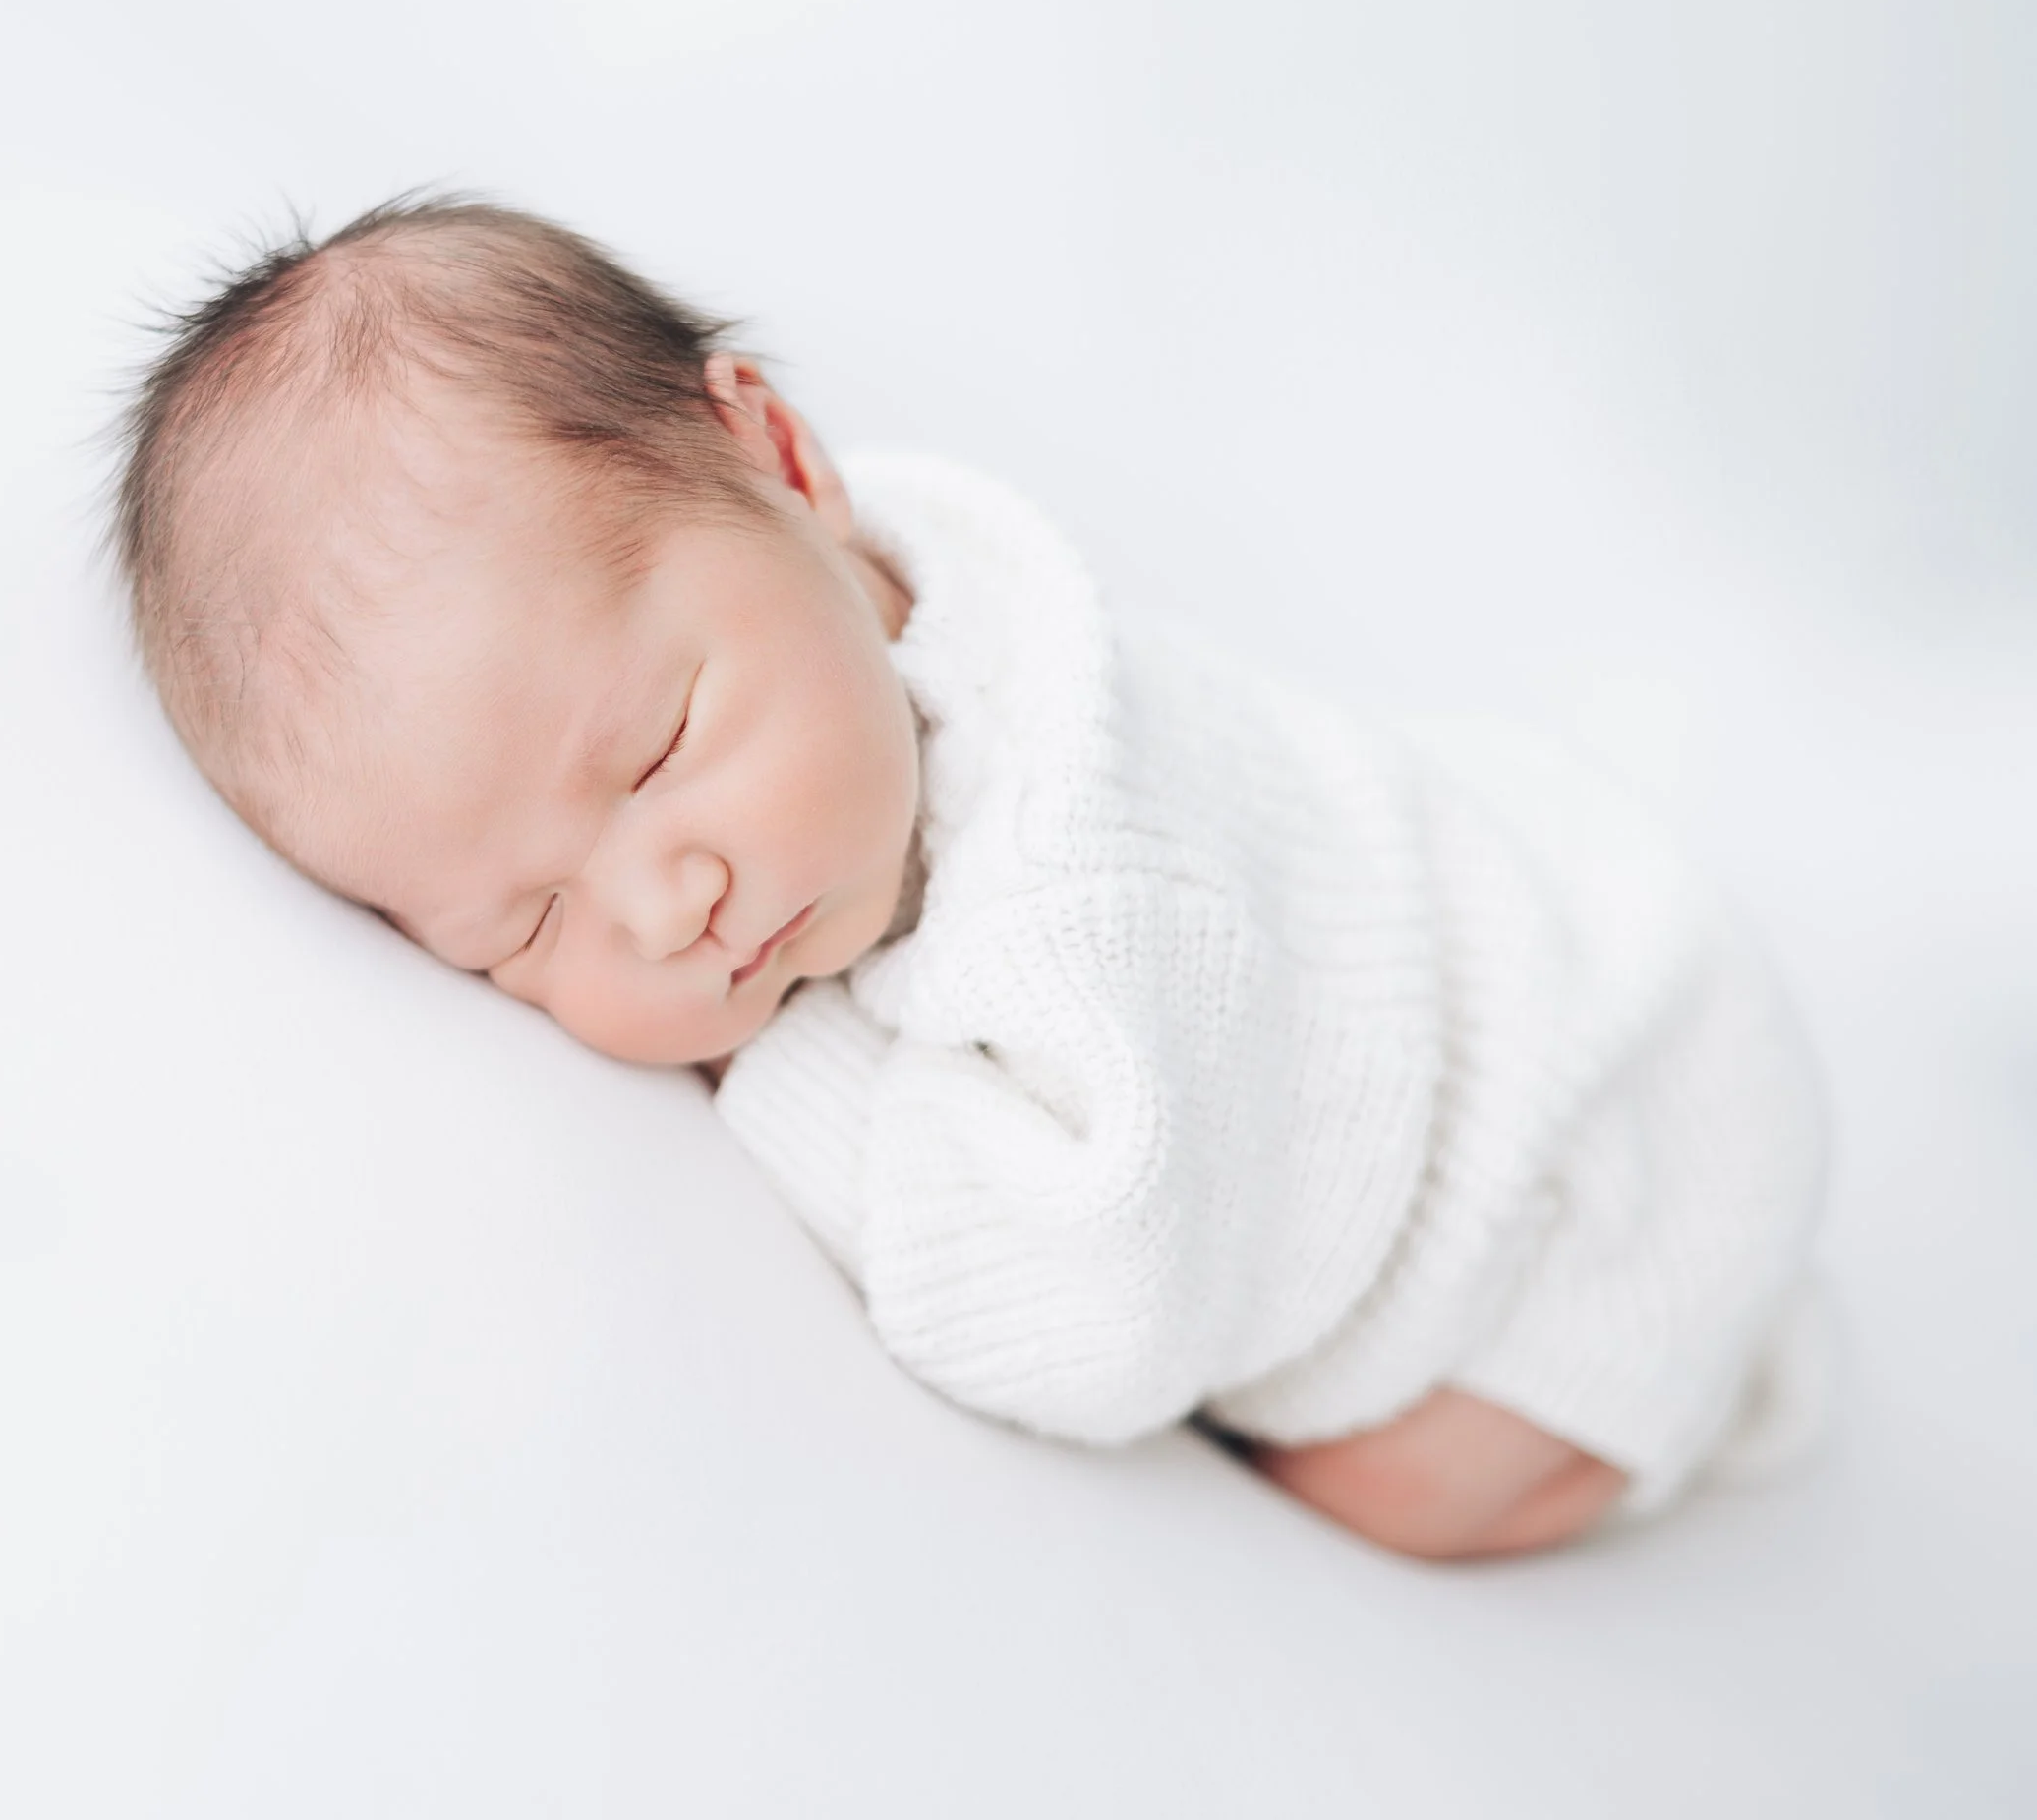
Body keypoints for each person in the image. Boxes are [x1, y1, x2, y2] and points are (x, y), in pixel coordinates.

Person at [110, 193, 1828, 1560]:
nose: (660, 906)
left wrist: (782, 1067)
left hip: (1617, 1118)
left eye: (658, 753)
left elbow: (1102, 1333)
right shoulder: (818, 633)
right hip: (1533, 941)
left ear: (786, 463)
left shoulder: (1085, 886)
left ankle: (1701, 1370)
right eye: (523, 927)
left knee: (1405, 1487)